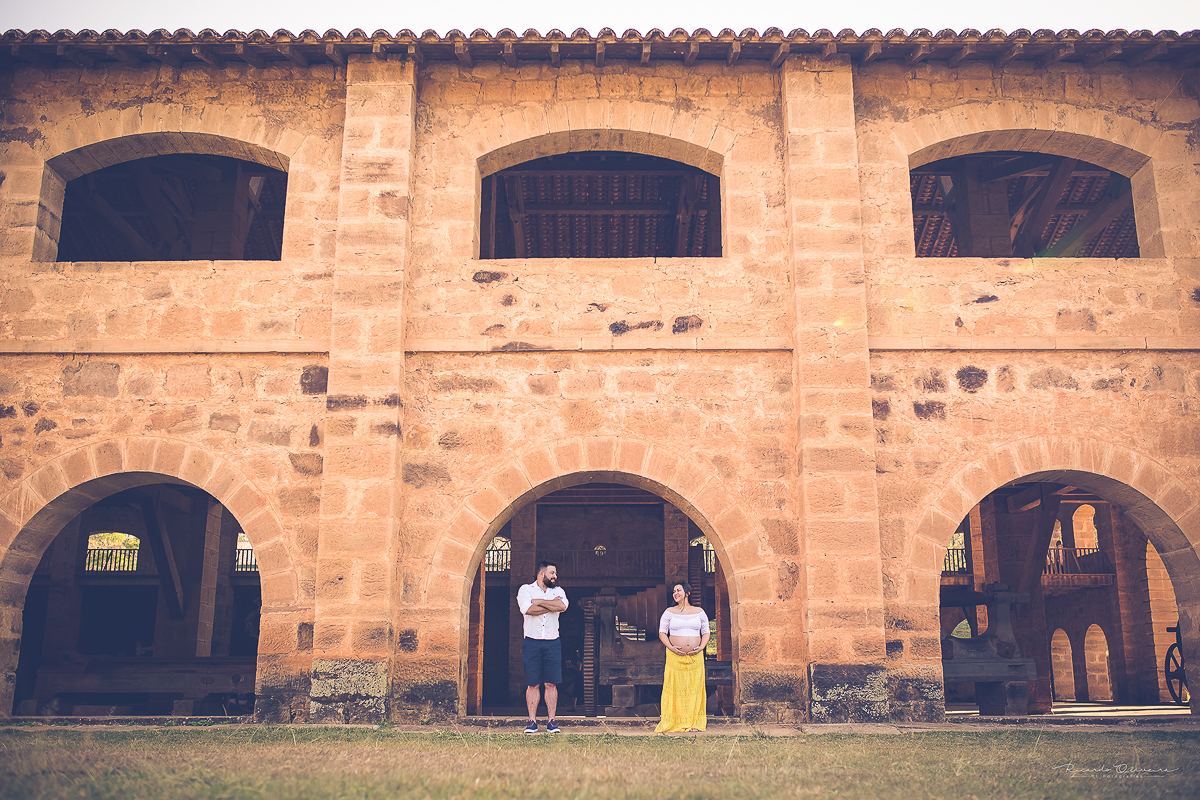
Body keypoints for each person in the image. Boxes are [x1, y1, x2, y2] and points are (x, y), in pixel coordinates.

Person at [516, 560, 568, 734]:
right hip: (532, 642)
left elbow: (562, 606)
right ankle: (532, 722)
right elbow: (527, 610)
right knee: (533, 684)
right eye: (552, 573)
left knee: (551, 683)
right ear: (541, 574)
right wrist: (551, 606)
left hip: (553, 642)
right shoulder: (526, 590)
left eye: (555, 573)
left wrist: (538, 602)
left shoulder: (558, 591)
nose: (555, 576)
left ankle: (551, 721)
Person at [655, 581, 710, 733]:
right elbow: (662, 632)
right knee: (675, 687)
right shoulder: (669, 612)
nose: (675, 593)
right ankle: (673, 721)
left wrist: (701, 647)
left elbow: (706, 632)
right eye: (674, 591)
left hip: (695, 657)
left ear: (687, 593)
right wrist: (671, 647)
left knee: (694, 687)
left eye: (678, 590)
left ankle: (694, 723)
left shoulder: (699, 612)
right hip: (674, 657)